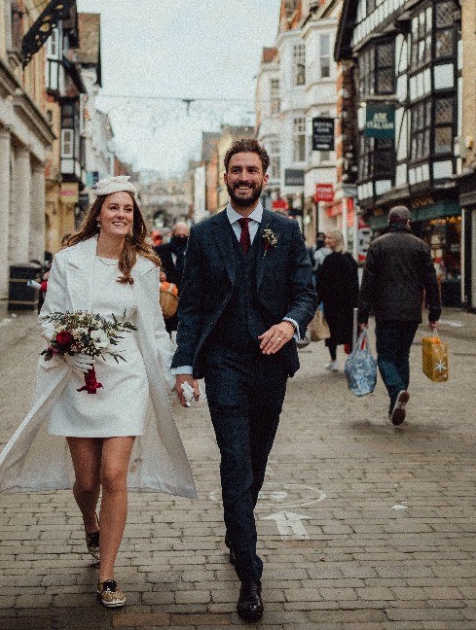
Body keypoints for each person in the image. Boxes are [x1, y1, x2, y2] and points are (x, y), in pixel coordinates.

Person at [0, 176, 197, 608]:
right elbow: (50, 314)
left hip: (126, 379)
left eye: (128, 209)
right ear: (98, 213)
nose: (121, 214)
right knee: (87, 480)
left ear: (134, 218)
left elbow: (152, 330)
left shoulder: (145, 266)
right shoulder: (68, 260)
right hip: (79, 379)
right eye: (113, 207)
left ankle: (107, 574)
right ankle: (89, 524)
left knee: (115, 476)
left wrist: (178, 374)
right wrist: (66, 345)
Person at [172, 138, 317, 623]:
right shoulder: (205, 233)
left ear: (265, 177)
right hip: (226, 364)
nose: (243, 177)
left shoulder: (287, 230)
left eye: (252, 170)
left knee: (256, 458)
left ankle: (238, 532)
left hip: (272, 366)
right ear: (225, 177)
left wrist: (289, 324)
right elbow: (191, 306)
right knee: (235, 460)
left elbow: (305, 291)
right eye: (236, 170)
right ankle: (250, 574)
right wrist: (185, 365)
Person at [357, 205, 441, 426]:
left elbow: (368, 283)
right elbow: (431, 281)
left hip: (386, 312)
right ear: (408, 222)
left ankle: (397, 391)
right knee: (402, 356)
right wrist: (435, 311)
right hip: (412, 312)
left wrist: (363, 315)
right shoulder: (421, 247)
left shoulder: (378, 246)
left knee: (385, 357)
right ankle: (397, 401)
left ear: (389, 221)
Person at [315, 230, 359, 372]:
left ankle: (333, 361)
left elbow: (322, 283)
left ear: (336, 240)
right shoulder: (349, 258)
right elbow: (354, 283)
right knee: (349, 333)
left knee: (332, 333)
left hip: (333, 303)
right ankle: (351, 361)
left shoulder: (330, 259)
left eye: (329, 238)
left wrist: (316, 301)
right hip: (347, 304)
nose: (326, 240)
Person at [155, 222, 190, 333]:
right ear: (172, 234)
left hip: (186, 304)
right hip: (165, 302)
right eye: (178, 235)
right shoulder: (159, 251)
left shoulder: (194, 252)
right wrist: (159, 273)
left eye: (184, 236)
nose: (181, 238)